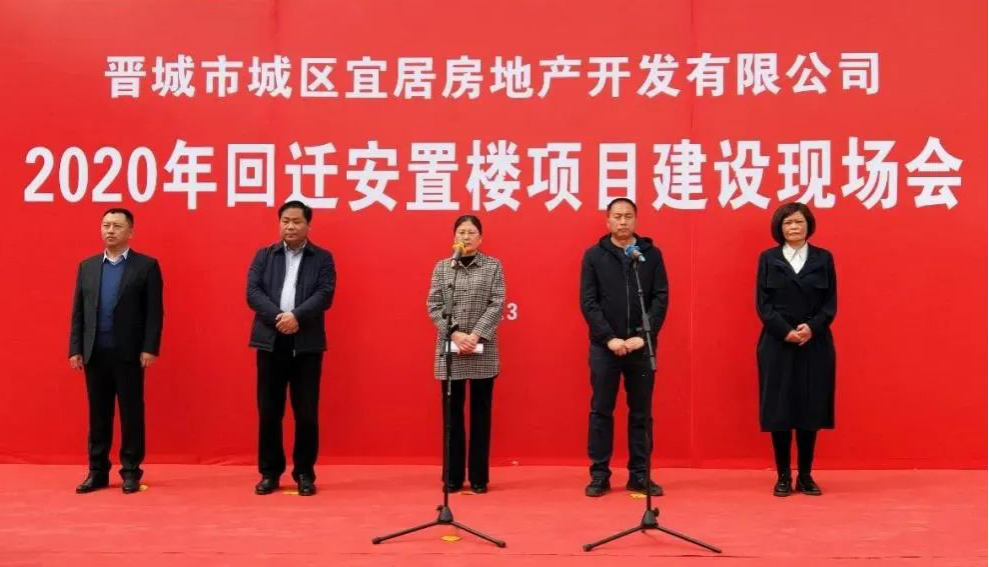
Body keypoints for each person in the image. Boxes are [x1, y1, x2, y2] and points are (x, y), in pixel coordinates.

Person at [69, 208, 164, 494]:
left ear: (130, 232)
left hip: (129, 353)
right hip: (95, 352)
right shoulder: (87, 266)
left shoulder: (146, 266)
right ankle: (97, 471)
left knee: (131, 413)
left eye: (117, 226)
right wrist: (75, 348)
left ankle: (131, 471)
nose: (110, 230)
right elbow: (79, 312)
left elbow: (154, 312)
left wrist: (149, 347)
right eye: (106, 225)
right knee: (98, 414)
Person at [580, 198, 668, 497]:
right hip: (605, 347)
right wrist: (609, 338)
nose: (622, 221)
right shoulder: (594, 255)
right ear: (607, 221)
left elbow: (660, 298)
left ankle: (640, 474)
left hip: (641, 346)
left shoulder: (650, 255)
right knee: (601, 410)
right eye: (617, 216)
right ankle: (599, 474)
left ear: (636, 220)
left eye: (628, 216)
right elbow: (588, 302)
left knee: (641, 412)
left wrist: (644, 335)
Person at [247, 200, 336, 496]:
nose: (290, 226)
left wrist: (297, 316)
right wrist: (279, 317)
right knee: (269, 411)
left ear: (308, 225)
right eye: (285, 221)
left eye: (297, 221)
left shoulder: (322, 258)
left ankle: (304, 473)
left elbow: (325, 294)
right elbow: (253, 292)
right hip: (270, 341)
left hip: (306, 343)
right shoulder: (264, 255)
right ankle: (270, 473)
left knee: (306, 413)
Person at [756, 202, 837, 497]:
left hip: (815, 343)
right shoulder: (768, 258)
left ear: (808, 226)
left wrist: (811, 328)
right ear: (779, 228)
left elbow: (830, 304)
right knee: (780, 409)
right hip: (777, 343)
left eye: (799, 222)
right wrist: (785, 331)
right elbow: (762, 305)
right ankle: (782, 476)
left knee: (809, 409)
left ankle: (805, 475)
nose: (793, 227)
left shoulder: (823, 258)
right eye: (788, 222)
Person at [426, 215, 506, 494]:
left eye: (471, 232)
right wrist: (456, 334)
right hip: (451, 348)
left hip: (482, 347)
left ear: (480, 238)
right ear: (454, 237)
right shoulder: (443, 267)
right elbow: (434, 305)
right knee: (452, 416)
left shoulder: (493, 266)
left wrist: (476, 335)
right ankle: (452, 476)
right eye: (461, 232)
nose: (466, 236)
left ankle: (479, 478)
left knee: (481, 415)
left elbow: (497, 303)